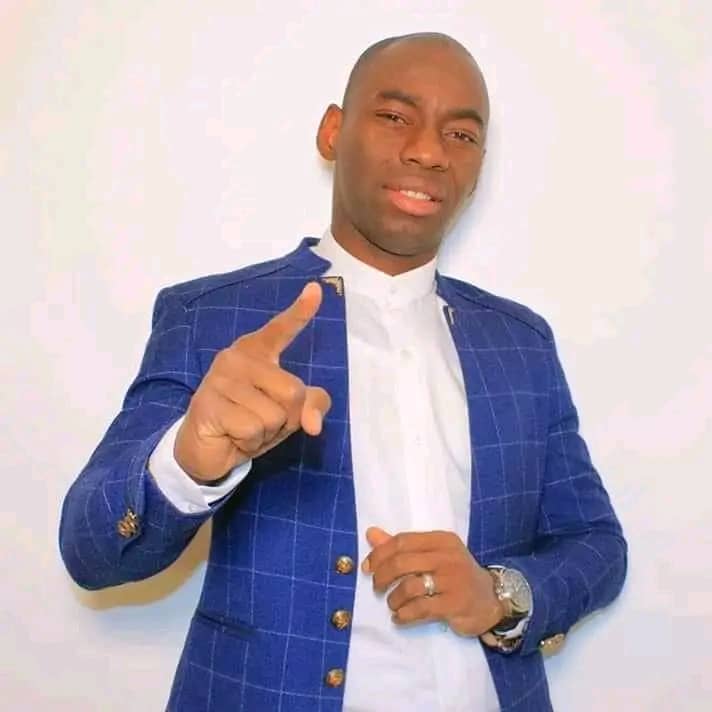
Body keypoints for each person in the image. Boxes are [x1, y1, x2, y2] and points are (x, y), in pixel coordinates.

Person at [59, 32, 627, 712]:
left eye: (461, 134)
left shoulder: (521, 342)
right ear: (333, 132)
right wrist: (187, 461)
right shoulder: (212, 317)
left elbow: (596, 544)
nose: (428, 151)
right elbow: (91, 553)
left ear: (479, 166)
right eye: (395, 116)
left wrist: (502, 594)